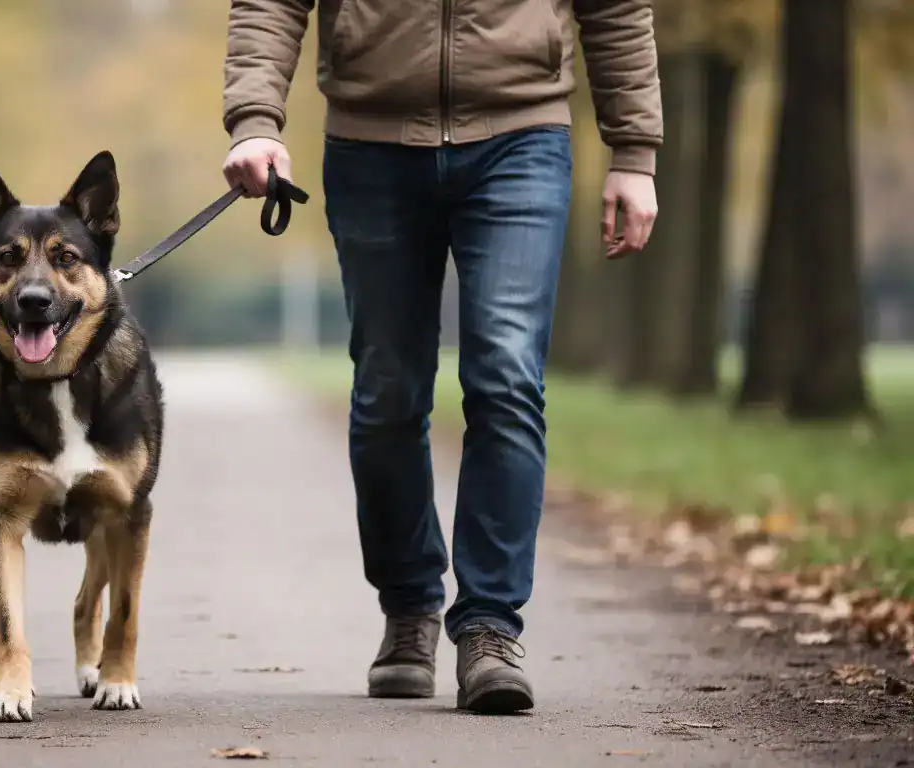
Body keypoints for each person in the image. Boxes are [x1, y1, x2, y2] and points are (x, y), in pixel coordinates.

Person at [221, 0, 661, 714]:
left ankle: (489, 625)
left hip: (522, 135)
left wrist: (634, 150)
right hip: (372, 143)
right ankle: (409, 608)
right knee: (388, 391)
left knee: (508, 376)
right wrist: (254, 121)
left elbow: (615, 7)